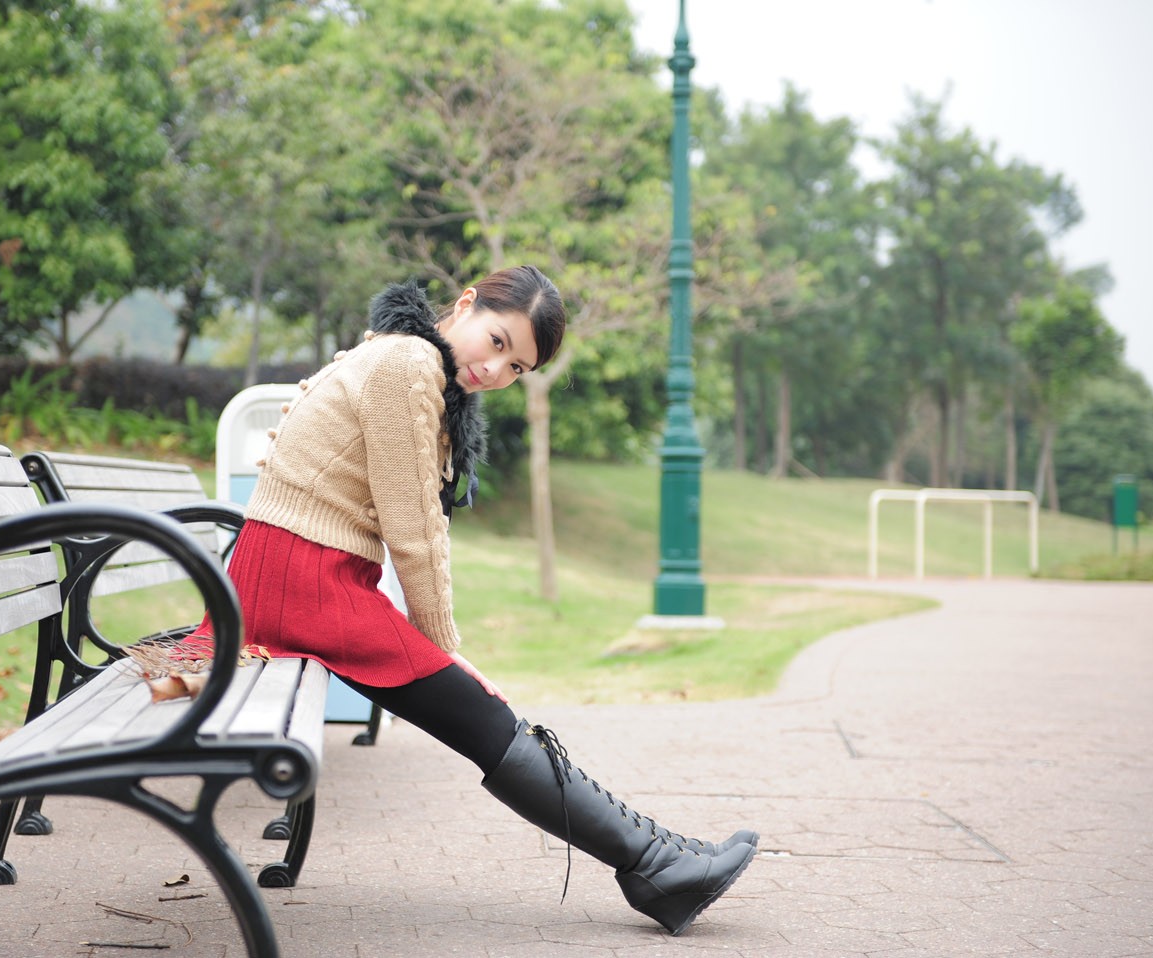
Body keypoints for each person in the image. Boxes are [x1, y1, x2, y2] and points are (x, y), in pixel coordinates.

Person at [179, 265, 757, 936]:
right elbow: (414, 530)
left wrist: (438, 649)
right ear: (465, 304)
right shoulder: (408, 365)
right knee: (486, 717)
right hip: (299, 582)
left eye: (517, 367)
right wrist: (442, 648)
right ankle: (656, 864)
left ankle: (661, 855)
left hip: (298, 577)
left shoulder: (407, 357)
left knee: (486, 715)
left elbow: (409, 522)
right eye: (498, 341)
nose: (495, 369)